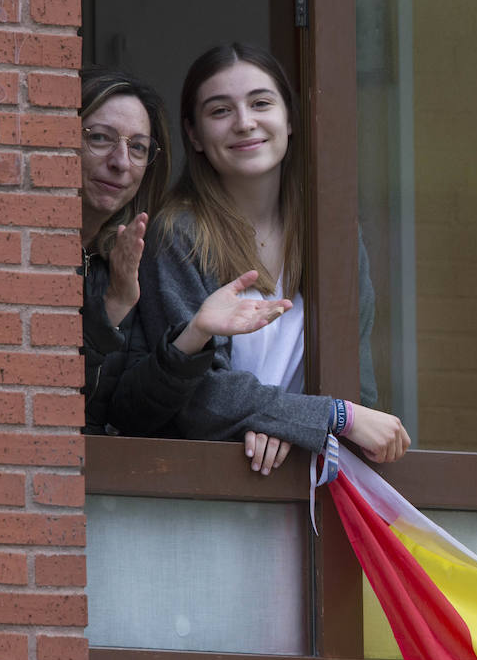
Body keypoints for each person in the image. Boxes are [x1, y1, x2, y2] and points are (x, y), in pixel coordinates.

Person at [129, 43, 410, 473]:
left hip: (307, 482)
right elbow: (200, 400)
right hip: (205, 484)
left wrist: (287, 423)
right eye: (220, 111)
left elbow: (360, 389)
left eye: (261, 103)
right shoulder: (178, 235)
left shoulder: (334, 238)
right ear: (194, 135)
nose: (245, 123)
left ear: (290, 119)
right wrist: (329, 417)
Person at [80, 67, 292, 438]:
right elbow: (40, 390)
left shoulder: (123, 254)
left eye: (139, 148)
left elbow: (128, 415)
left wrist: (194, 334)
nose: (121, 161)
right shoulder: (22, 249)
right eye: (100, 138)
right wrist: (112, 306)